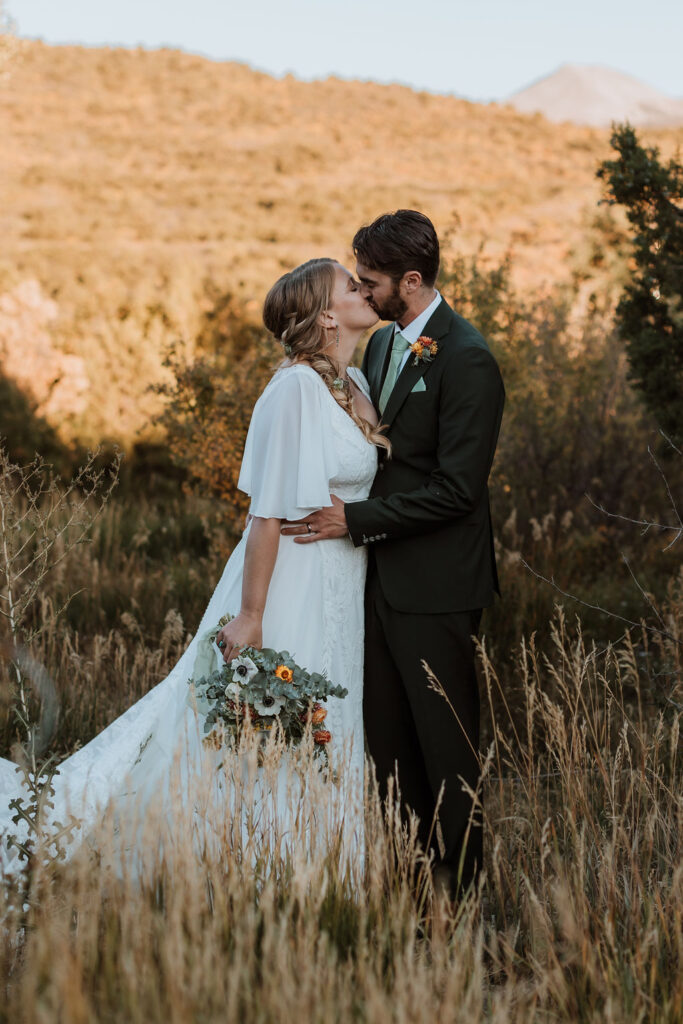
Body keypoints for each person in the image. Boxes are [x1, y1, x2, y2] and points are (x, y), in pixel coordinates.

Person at [0, 258, 383, 875]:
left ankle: (323, 868)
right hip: (291, 580)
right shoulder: (293, 389)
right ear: (326, 314)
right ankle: (253, 867)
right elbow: (266, 514)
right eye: (349, 284)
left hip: (345, 577)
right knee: (274, 728)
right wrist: (253, 614)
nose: (363, 288)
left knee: (330, 717)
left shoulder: (357, 382)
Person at [281, 210, 505, 898]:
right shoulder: (380, 347)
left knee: (446, 750)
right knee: (387, 746)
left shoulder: (468, 361)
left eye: (371, 281)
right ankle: (409, 879)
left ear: (411, 281)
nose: (360, 289)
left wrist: (355, 520)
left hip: (437, 587)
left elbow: (456, 492)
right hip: (373, 579)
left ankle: (465, 896)